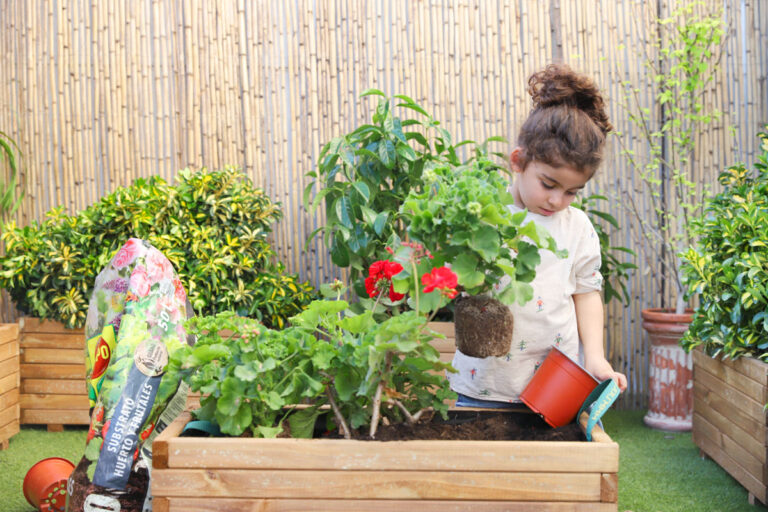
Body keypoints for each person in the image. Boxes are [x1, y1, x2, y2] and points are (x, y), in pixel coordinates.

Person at [448, 63, 628, 408]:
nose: (557, 200)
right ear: (518, 161)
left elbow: (587, 292)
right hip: (484, 384)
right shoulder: (483, 215)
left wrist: (595, 356)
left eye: (573, 192)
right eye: (548, 184)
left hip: (556, 386)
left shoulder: (577, 227)